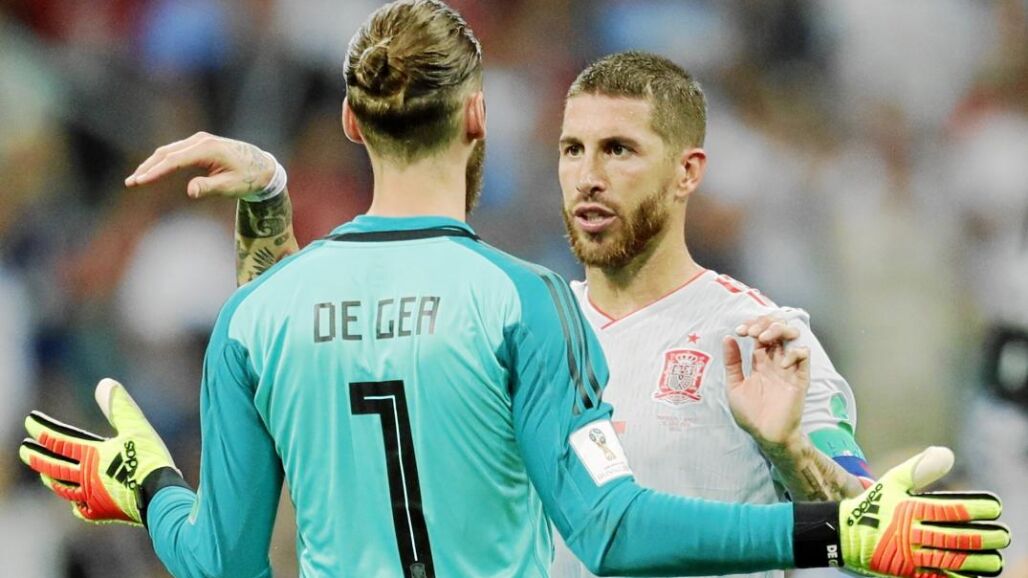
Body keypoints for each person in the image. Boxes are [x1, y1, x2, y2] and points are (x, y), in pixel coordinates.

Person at [20, 2, 1009, 577]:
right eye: (574, 149)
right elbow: (611, 525)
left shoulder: (756, 334)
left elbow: (854, 496)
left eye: (620, 150)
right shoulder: (524, 311)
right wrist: (832, 530)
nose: (588, 176)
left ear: (689, 173)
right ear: (482, 122)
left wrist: (151, 490)